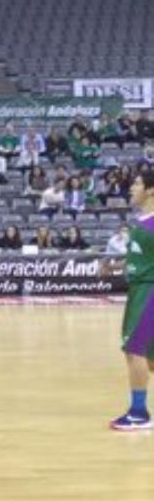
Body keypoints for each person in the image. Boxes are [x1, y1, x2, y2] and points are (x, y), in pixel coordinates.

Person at [112, 171, 154, 429]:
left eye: (137, 184)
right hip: (140, 288)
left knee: (134, 350)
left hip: (148, 292)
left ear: (151, 190)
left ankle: (139, 413)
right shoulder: (142, 222)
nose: (131, 188)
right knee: (149, 358)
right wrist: (118, 266)